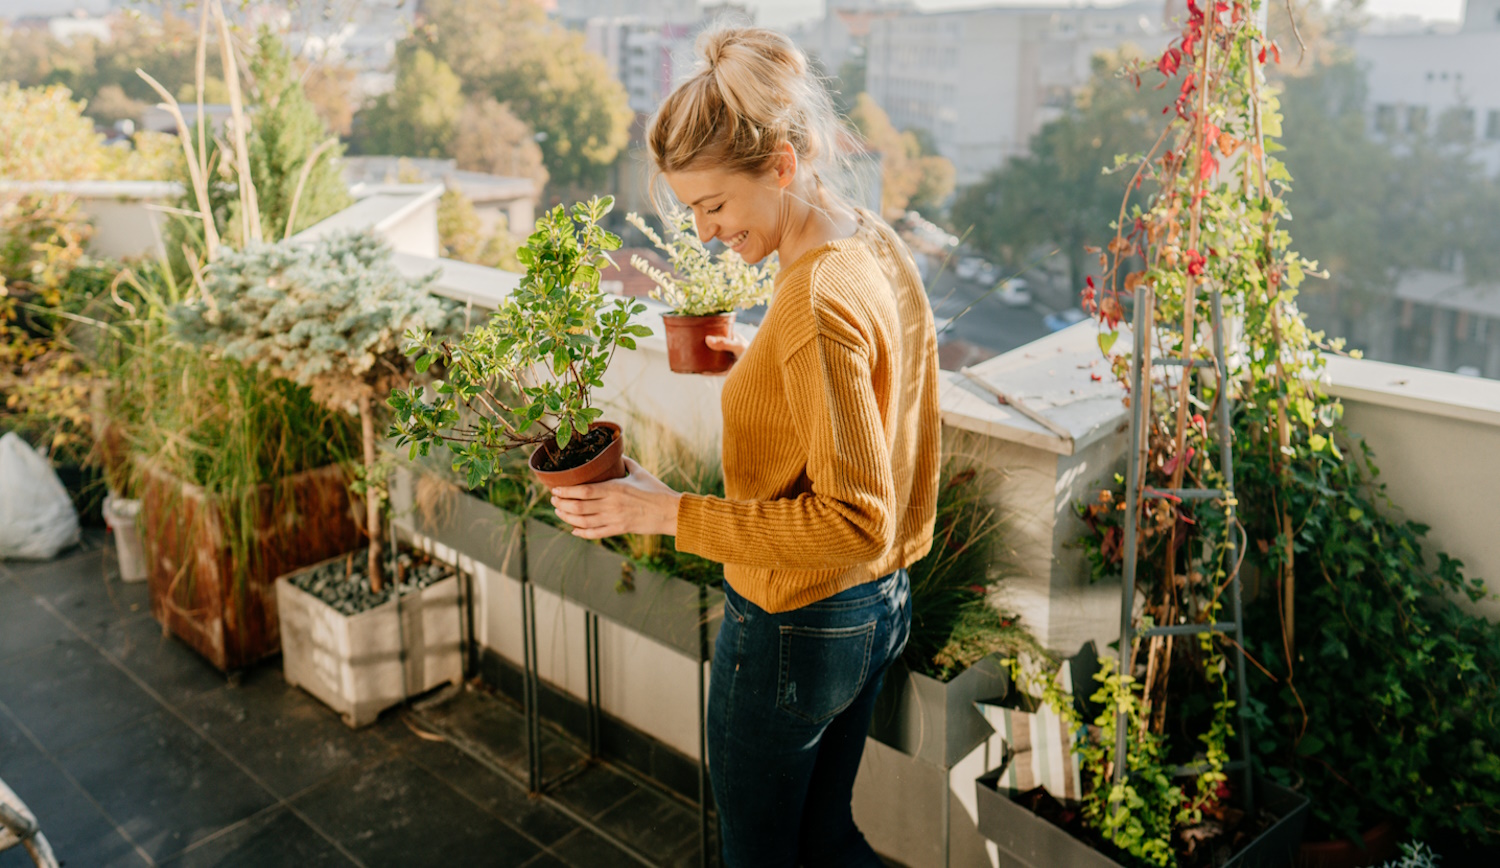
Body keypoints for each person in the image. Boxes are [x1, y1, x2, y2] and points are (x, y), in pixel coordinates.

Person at [548, 25, 941, 868]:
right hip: (878, 607)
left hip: (800, 622)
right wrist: (759, 360)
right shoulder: (865, 238)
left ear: (783, 166)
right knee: (827, 841)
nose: (703, 232)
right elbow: (880, 382)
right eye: (691, 211)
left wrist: (664, 513)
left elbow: (854, 519)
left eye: (715, 206)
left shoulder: (813, 303)